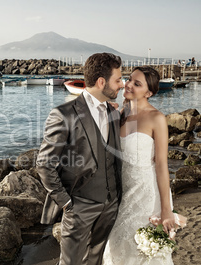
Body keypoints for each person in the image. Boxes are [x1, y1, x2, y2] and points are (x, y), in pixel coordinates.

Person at [36, 52, 124, 265]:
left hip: (111, 203)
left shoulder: (112, 112)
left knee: (97, 260)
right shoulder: (64, 114)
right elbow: (44, 164)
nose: (122, 85)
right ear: (102, 82)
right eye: (118, 79)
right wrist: (65, 202)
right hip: (79, 205)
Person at [103, 66, 177, 264]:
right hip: (122, 192)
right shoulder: (120, 114)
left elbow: (161, 164)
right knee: (116, 246)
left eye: (137, 84)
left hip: (146, 192)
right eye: (129, 80)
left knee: (142, 250)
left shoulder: (156, 118)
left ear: (149, 92)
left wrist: (166, 210)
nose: (128, 85)